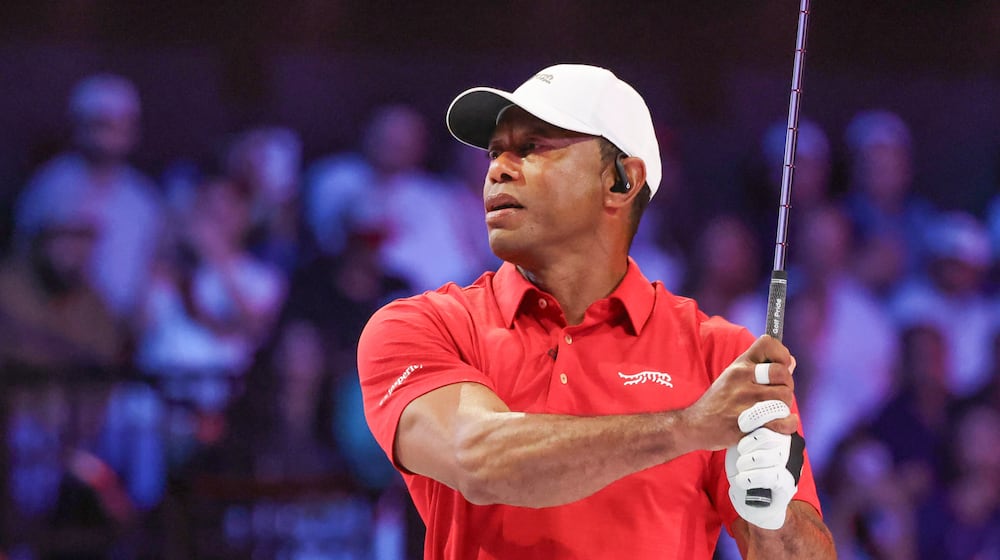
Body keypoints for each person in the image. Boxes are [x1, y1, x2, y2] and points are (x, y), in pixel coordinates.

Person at [357, 64, 834, 559]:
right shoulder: (424, 326)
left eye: (532, 147)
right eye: (495, 152)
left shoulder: (722, 357)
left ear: (622, 182)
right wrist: (688, 426)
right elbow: (477, 458)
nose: (498, 169)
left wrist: (772, 516)